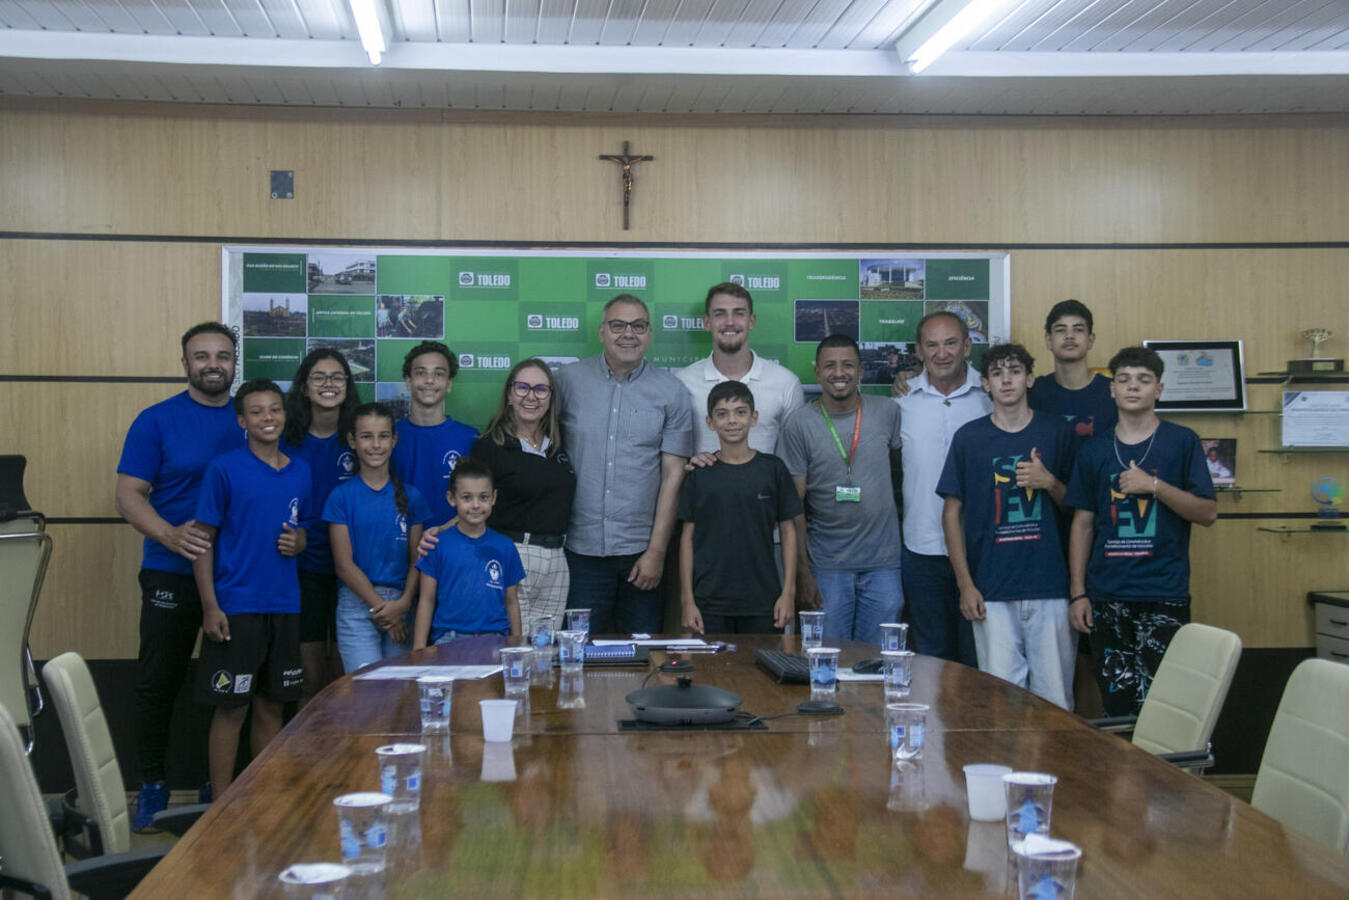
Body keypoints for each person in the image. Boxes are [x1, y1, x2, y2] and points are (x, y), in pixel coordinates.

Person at [115, 321, 242, 831]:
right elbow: (128, 496)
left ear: (234, 362)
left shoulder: (252, 417)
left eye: (222, 355)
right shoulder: (156, 420)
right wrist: (170, 536)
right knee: (158, 682)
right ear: (185, 363)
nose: (213, 364)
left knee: (228, 687)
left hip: (234, 579)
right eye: (201, 356)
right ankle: (151, 786)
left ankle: (218, 786)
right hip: (169, 573)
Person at [1065, 346, 1218, 716]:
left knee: (1162, 706)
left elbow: (1207, 512)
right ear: (1112, 389)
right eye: (1124, 379)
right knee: (1116, 706)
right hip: (1106, 596)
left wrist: (1154, 486)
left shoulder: (1182, 441)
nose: (1133, 387)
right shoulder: (1094, 451)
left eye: (1143, 380)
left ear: (1158, 390)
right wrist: (1078, 593)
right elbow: (1082, 524)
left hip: (1163, 593)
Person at [937, 343, 1077, 708]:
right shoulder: (969, 438)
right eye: (997, 374)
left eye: (1015, 371)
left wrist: (1049, 483)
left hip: (1049, 586)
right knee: (1001, 704)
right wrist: (965, 584)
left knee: (1056, 702)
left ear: (1030, 378)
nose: (1007, 380)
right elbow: (951, 514)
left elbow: (1079, 508)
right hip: (991, 589)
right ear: (985, 384)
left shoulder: (1056, 431)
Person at [190, 379, 311, 801]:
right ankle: (221, 804)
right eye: (256, 412)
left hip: (285, 606)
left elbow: (303, 531)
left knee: (273, 705)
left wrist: (300, 541)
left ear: (285, 415)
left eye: (274, 409)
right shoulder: (224, 469)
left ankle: (265, 799)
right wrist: (210, 606)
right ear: (242, 421)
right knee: (232, 708)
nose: (267, 418)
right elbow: (201, 541)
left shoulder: (300, 470)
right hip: (237, 607)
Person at [555, 294, 693, 634]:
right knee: (578, 654)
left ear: (650, 334)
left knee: (643, 655)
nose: (628, 334)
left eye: (638, 326)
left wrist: (657, 552)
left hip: (641, 553)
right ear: (602, 331)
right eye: (618, 325)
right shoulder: (566, 382)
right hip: (579, 552)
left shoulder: (672, 391)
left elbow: (673, 476)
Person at [778, 334, 903, 644]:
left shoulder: (887, 411)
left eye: (847, 365)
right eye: (829, 366)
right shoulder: (799, 424)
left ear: (860, 371)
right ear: (817, 372)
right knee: (827, 660)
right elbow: (793, 508)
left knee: (876, 661)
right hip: (826, 566)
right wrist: (803, 573)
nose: (839, 373)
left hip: (883, 564)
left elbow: (900, 471)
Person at [892, 311, 990, 666]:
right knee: (931, 659)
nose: (942, 353)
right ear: (919, 351)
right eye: (932, 345)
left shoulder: (992, 395)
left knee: (980, 658)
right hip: (922, 549)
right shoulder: (901, 403)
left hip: (982, 549)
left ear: (967, 346)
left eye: (951, 343)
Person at [678, 381, 802, 634]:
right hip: (709, 602)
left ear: (754, 418)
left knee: (764, 661)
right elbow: (687, 539)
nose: (732, 421)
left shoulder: (773, 469)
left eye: (740, 412)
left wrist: (788, 592)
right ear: (710, 422)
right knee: (711, 662)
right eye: (722, 414)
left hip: (763, 601)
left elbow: (788, 531)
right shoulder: (700, 474)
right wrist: (687, 600)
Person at [468, 359, 577, 627]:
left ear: (551, 398)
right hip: (511, 552)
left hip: (557, 559)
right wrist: (442, 530)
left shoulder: (560, 445)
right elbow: (471, 506)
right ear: (509, 394)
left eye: (541, 389)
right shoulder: (490, 447)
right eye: (522, 388)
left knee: (546, 646)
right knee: (514, 643)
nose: (531, 396)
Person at [324, 403, 430, 672]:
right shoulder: (341, 497)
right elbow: (343, 566)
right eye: (366, 436)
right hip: (357, 604)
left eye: (383, 436)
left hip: (402, 604)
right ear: (352, 440)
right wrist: (383, 611)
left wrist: (404, 604)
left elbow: (417, 559)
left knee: (399, 690)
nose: (375, 445)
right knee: (365, 689)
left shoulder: (412, 496)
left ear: (394, 440)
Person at [282, 348, 361, 705]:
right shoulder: (286, 440)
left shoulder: (361, 438)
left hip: (355, 573)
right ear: (303, 386)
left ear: (347, 385)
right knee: (309, 679)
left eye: (337, 377)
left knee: (345, 681)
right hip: (303, 571)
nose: (328, 384)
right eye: (319, 377)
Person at [675, 282, 805, 455]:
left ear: (751, 321)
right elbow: (675, 455)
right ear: (707, 323)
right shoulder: (682, 383)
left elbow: (793, 457)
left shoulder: (786, 383)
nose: (730, 322)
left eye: (739, 313)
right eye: (720, 314)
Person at [413, 459, 524, 647]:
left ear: (494, 498)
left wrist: (517, 645)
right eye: (467, 497)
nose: (475, 505)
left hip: (495, 640)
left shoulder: (505, 546)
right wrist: (418, 649)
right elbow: (426, 600)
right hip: (449, 640)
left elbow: (511, 601)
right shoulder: (436, 545)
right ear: (451, 498)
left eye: (483, 497)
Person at [392, 340, 478, 528]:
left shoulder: (470, 438)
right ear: (408, 382)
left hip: (453, 541)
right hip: (399, 540)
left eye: (438, 374)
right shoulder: (389, 436)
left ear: (449, 384)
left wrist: (446, 530)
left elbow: (480, 500)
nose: (429, 380)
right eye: (420, 373)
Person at [1027, 299, 1117, 446]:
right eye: (1061, 330)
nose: (1069, 335)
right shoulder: (1032, 393)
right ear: (1048, 340)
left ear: (1090, 340)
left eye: (1078, 329)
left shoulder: (1114, 392)